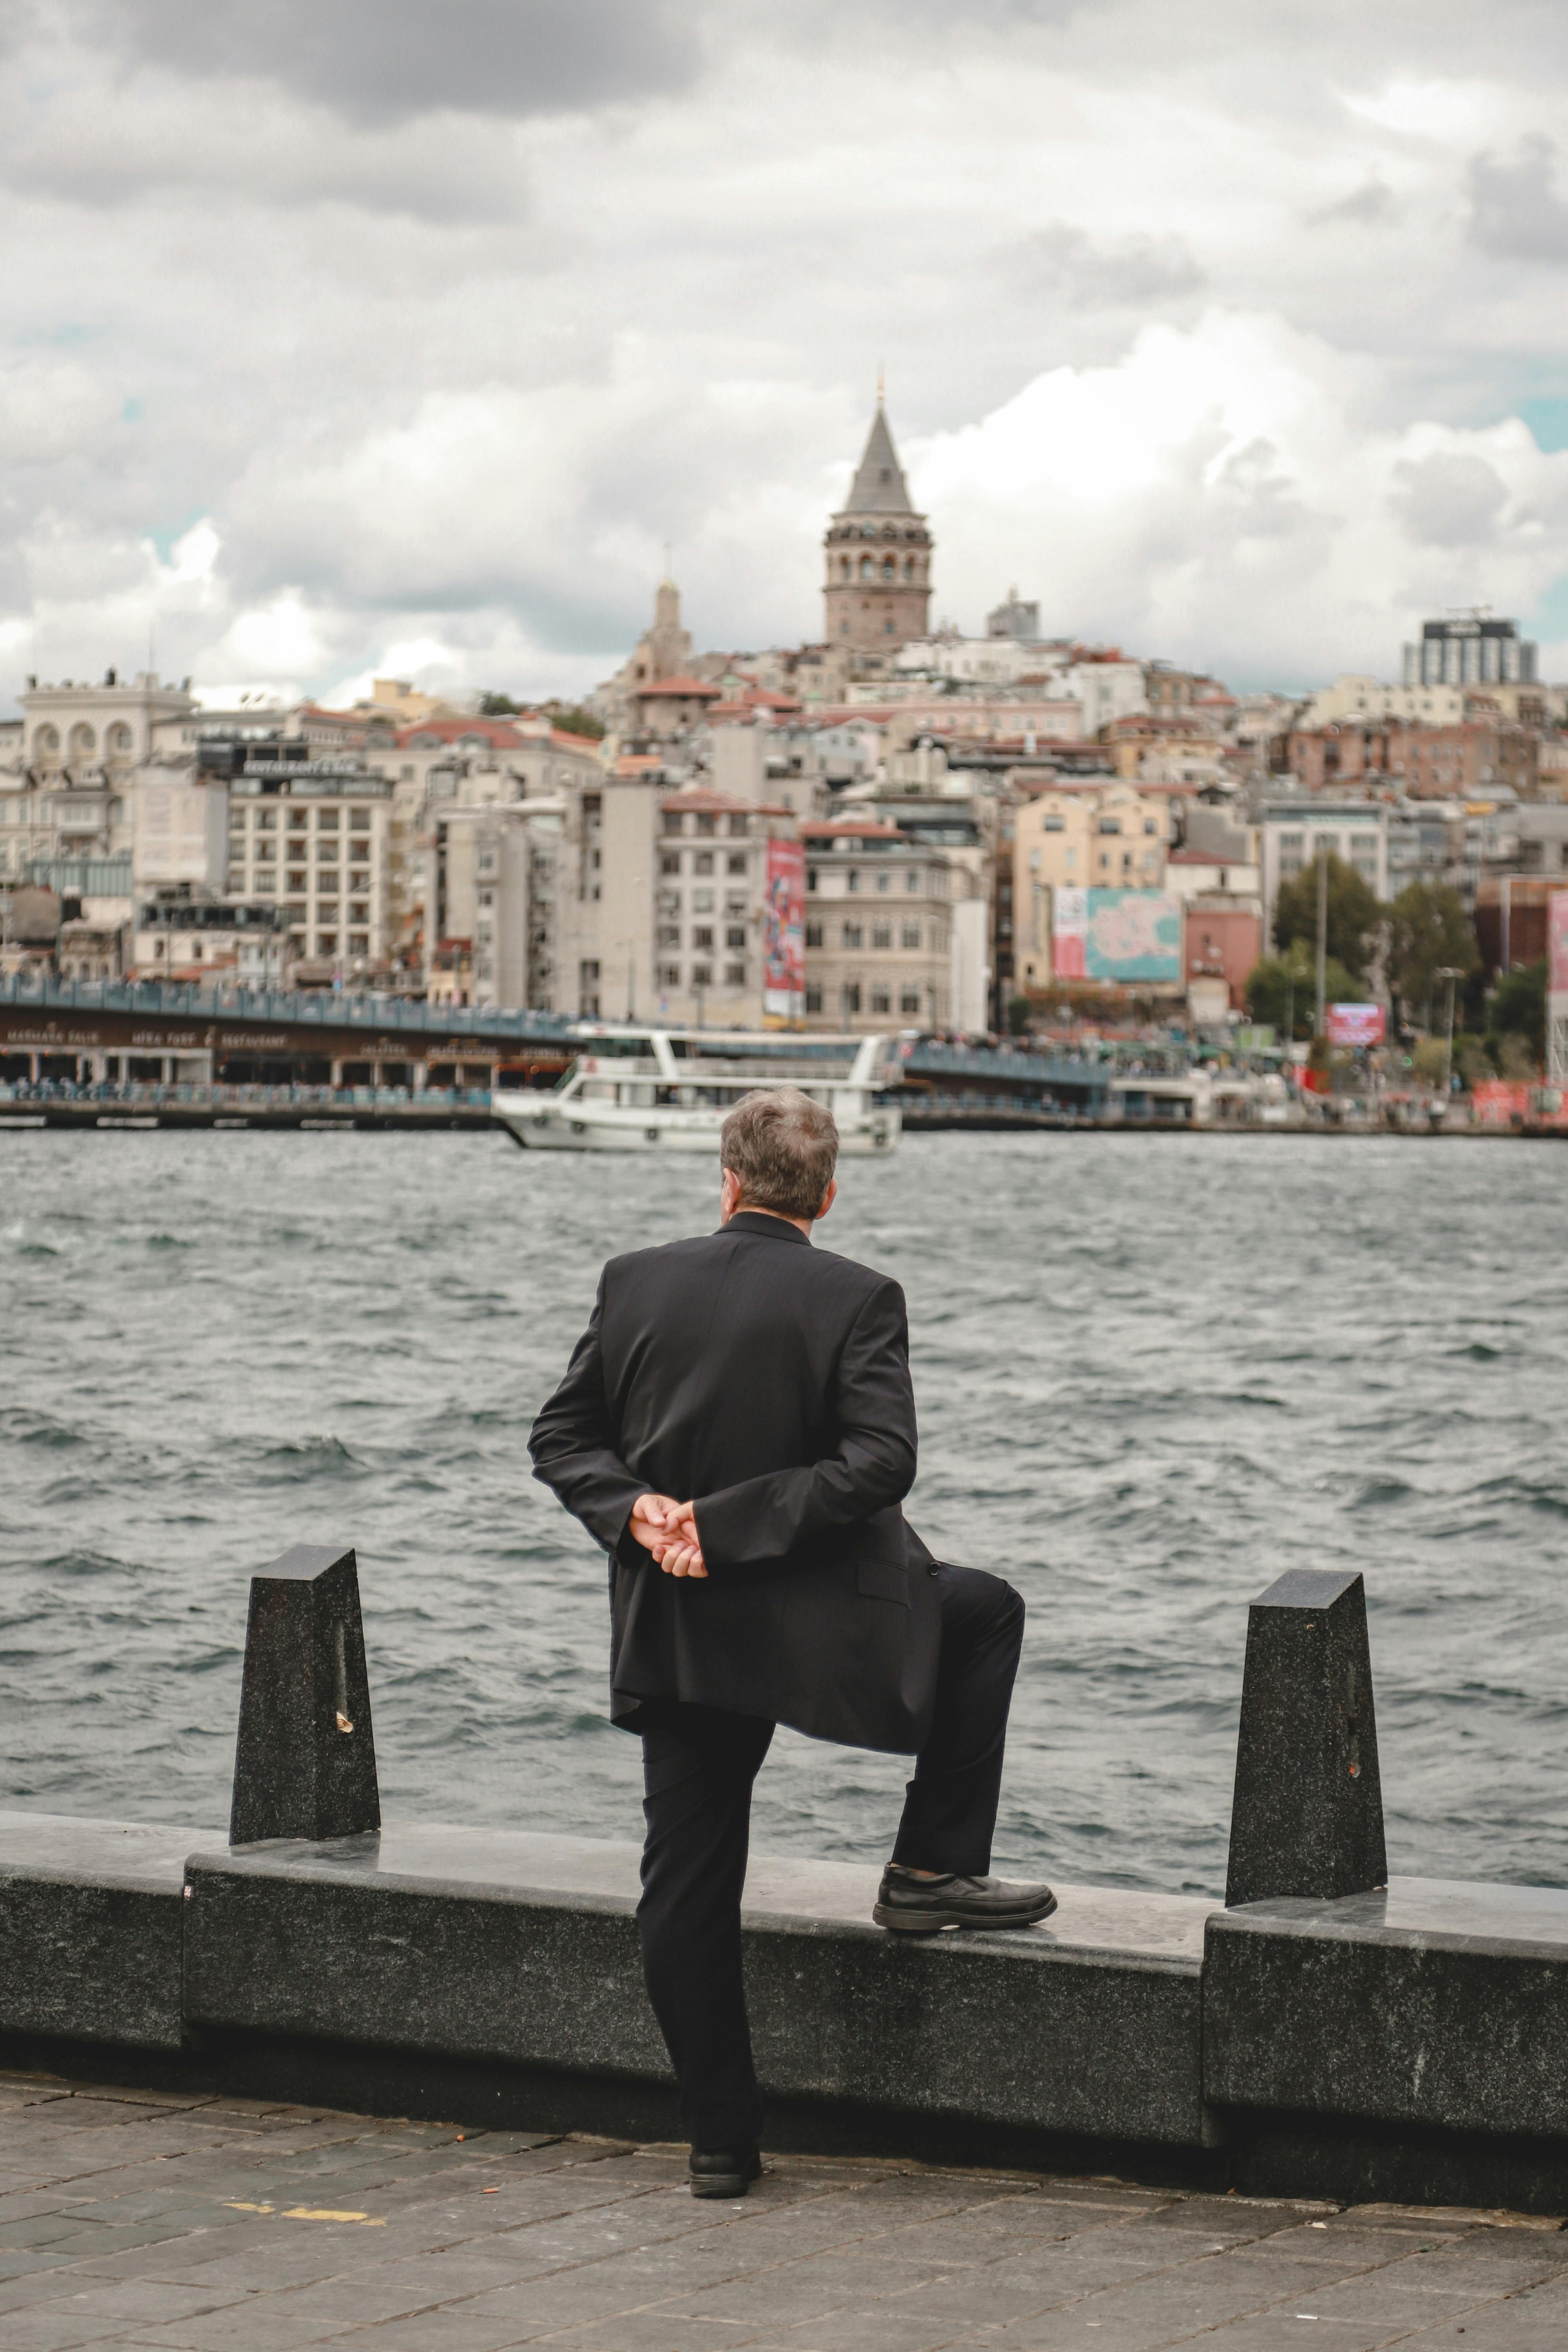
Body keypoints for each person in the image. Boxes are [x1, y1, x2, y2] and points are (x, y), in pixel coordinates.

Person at [529, 1087, 1053, 2200]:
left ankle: (719, 2142)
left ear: (724, 1177)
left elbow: (561, 1437)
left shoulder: (636, 1280)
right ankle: (927, 1869)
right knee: (983, 1611)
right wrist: (721, 1527)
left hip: (678, 1627)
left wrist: (644, 1516)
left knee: (685, 1881)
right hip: (819, 1622)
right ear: (827, 1191)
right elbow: (880, 1462)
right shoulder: (858, 1295)